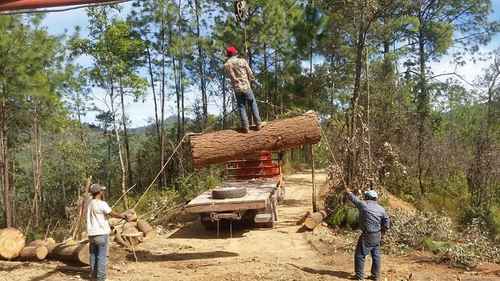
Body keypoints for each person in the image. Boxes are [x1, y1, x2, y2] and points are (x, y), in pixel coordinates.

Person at [87, 184, 129, 281]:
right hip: (101, 234)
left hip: (91, 234)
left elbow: (100, 217)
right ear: (99, 192)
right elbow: (112, 213)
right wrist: (123, 216)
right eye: (102, 191)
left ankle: (93, 276)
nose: (103, 192)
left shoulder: (90, 204)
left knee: (93, 255)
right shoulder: (102, 204)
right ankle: (101, 278)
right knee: (102, 256)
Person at [346, 188, 390, 281]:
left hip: (367, 235)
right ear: (376, 199)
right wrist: (382, 233)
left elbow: (354, 199)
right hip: (377, 234)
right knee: (376, 255)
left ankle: (360, 277)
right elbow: (386, 223)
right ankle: (376, 276)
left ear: (367, 197)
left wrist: (349, 192)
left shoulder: (364, 205)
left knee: (360, 255)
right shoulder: (381, 209)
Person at [224, 46, 262, 133]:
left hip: (237, 89)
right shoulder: (242, 61)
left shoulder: (226, 65)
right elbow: (250, 73)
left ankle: (246, 127)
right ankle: (258, 124)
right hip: (246, 87)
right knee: (253, 104)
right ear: (235, 53)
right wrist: (254, 81)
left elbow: (229, 76)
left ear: (228, 55)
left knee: (241, 107)